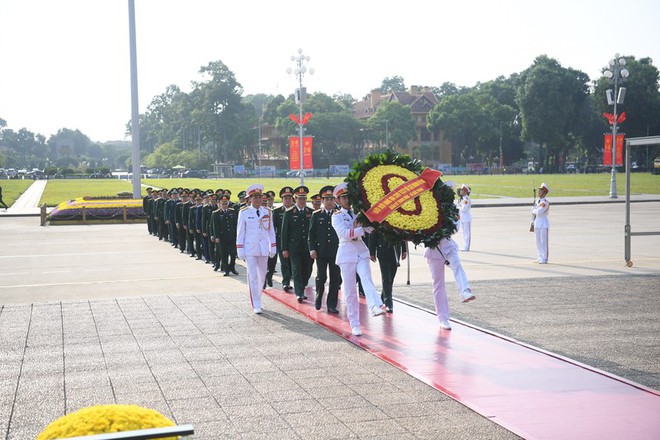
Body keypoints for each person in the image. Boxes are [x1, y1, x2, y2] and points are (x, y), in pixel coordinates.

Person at [331, 182, 386, 336]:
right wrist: (363, 230)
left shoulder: (359, 213)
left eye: (349, 197)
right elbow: (343, 234)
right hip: (346, 253)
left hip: (361, 251)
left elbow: (370, 223)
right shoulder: (336, 217)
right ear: (338, 200)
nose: (347, 200)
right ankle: (355, 323)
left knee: (366, 277)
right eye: (343, 198)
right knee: (350, 291)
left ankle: (375, 306)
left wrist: (372, 225)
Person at [236, 184, 276, 314]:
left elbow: (271, 231)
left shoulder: (267, 212)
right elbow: (240, 232)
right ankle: (256, 303)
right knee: (252, 277)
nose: (258, 199)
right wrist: (240, 249)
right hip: (250, 249)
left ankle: (257, 297)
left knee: (262, 277)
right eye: (255, 197)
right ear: (250, 199)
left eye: (260, 197)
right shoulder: (244, 213)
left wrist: (273, 246)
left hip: (263, 248)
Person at [308, 185, 341, 313]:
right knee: (321, 277)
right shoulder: (316, 215)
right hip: (321, 252)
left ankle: (332, 304)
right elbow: (311, 235)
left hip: (336, 252)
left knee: (335, 279)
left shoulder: (339, 215)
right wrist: (312, 249)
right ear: (322, 201)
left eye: (331, 199)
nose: (329, 202)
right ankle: (318, 296)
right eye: (326, 199)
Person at [281, 185, 314, 303]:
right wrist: (284, 248)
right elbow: (284, 232)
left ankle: (302, 286)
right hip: (294, 247)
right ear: (295, 199)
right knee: (296, 269)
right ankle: (299, 293)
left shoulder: (311, 212)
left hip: (308, 247)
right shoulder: (290, 212)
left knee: (307, 269)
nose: (302, 201)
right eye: (300, 198)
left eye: (304, 198)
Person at [369, 231, 407, 313]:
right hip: (382, 248)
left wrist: (404, 249)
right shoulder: (379, 220)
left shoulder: (397, 217)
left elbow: (402, 231)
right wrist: (372, 251)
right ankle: (388, 304)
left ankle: (383, 298)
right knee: (386, 278)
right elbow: (374, 233)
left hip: (395, 250)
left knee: (391, 276)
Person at [272, 186, 294, 291]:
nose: (288, 200)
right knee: (284, 263)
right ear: (282, 200)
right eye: (286, 198)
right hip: (282, 241)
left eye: (290, 198)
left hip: (294, 242)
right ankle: (286, 282)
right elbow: (273, 228)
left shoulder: (295, 210)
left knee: (293, 263)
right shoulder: (277, 212)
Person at [210, 194, 238, 275]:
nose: (225, 205)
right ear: (219, 204)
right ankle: (226, 269)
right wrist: (216, 236)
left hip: (232, 236)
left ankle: (232, 267)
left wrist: (237, 235)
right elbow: (215, 226)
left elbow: (235, 224)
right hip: (222, 237)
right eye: (223, 203)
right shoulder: (216, 213)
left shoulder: (232, 212)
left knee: (233, 254)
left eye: (226, 203)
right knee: (224, 254)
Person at [532, 182, 550, 264]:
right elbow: (534, 213)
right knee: (538, 241)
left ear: (544, 193)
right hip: (537, 223)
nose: (539, 192)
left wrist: (533, 210)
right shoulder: (537, 201)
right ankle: (540, 256)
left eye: (541, 191)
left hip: (543, 223)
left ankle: (545, 258)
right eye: (539, 190)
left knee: (544, 241)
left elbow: (539, 212)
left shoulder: (545, 202)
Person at [457, 184, 472, 251]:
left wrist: (458, 207)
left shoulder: (466, 199)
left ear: (465, 192)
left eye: (462, 190)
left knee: (467, 233)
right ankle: (464, 246)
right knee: (463, 233)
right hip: (462, 218)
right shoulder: (461, 199)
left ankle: (467, 247)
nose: (460, 191)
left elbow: (464, 209)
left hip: (466, 218)